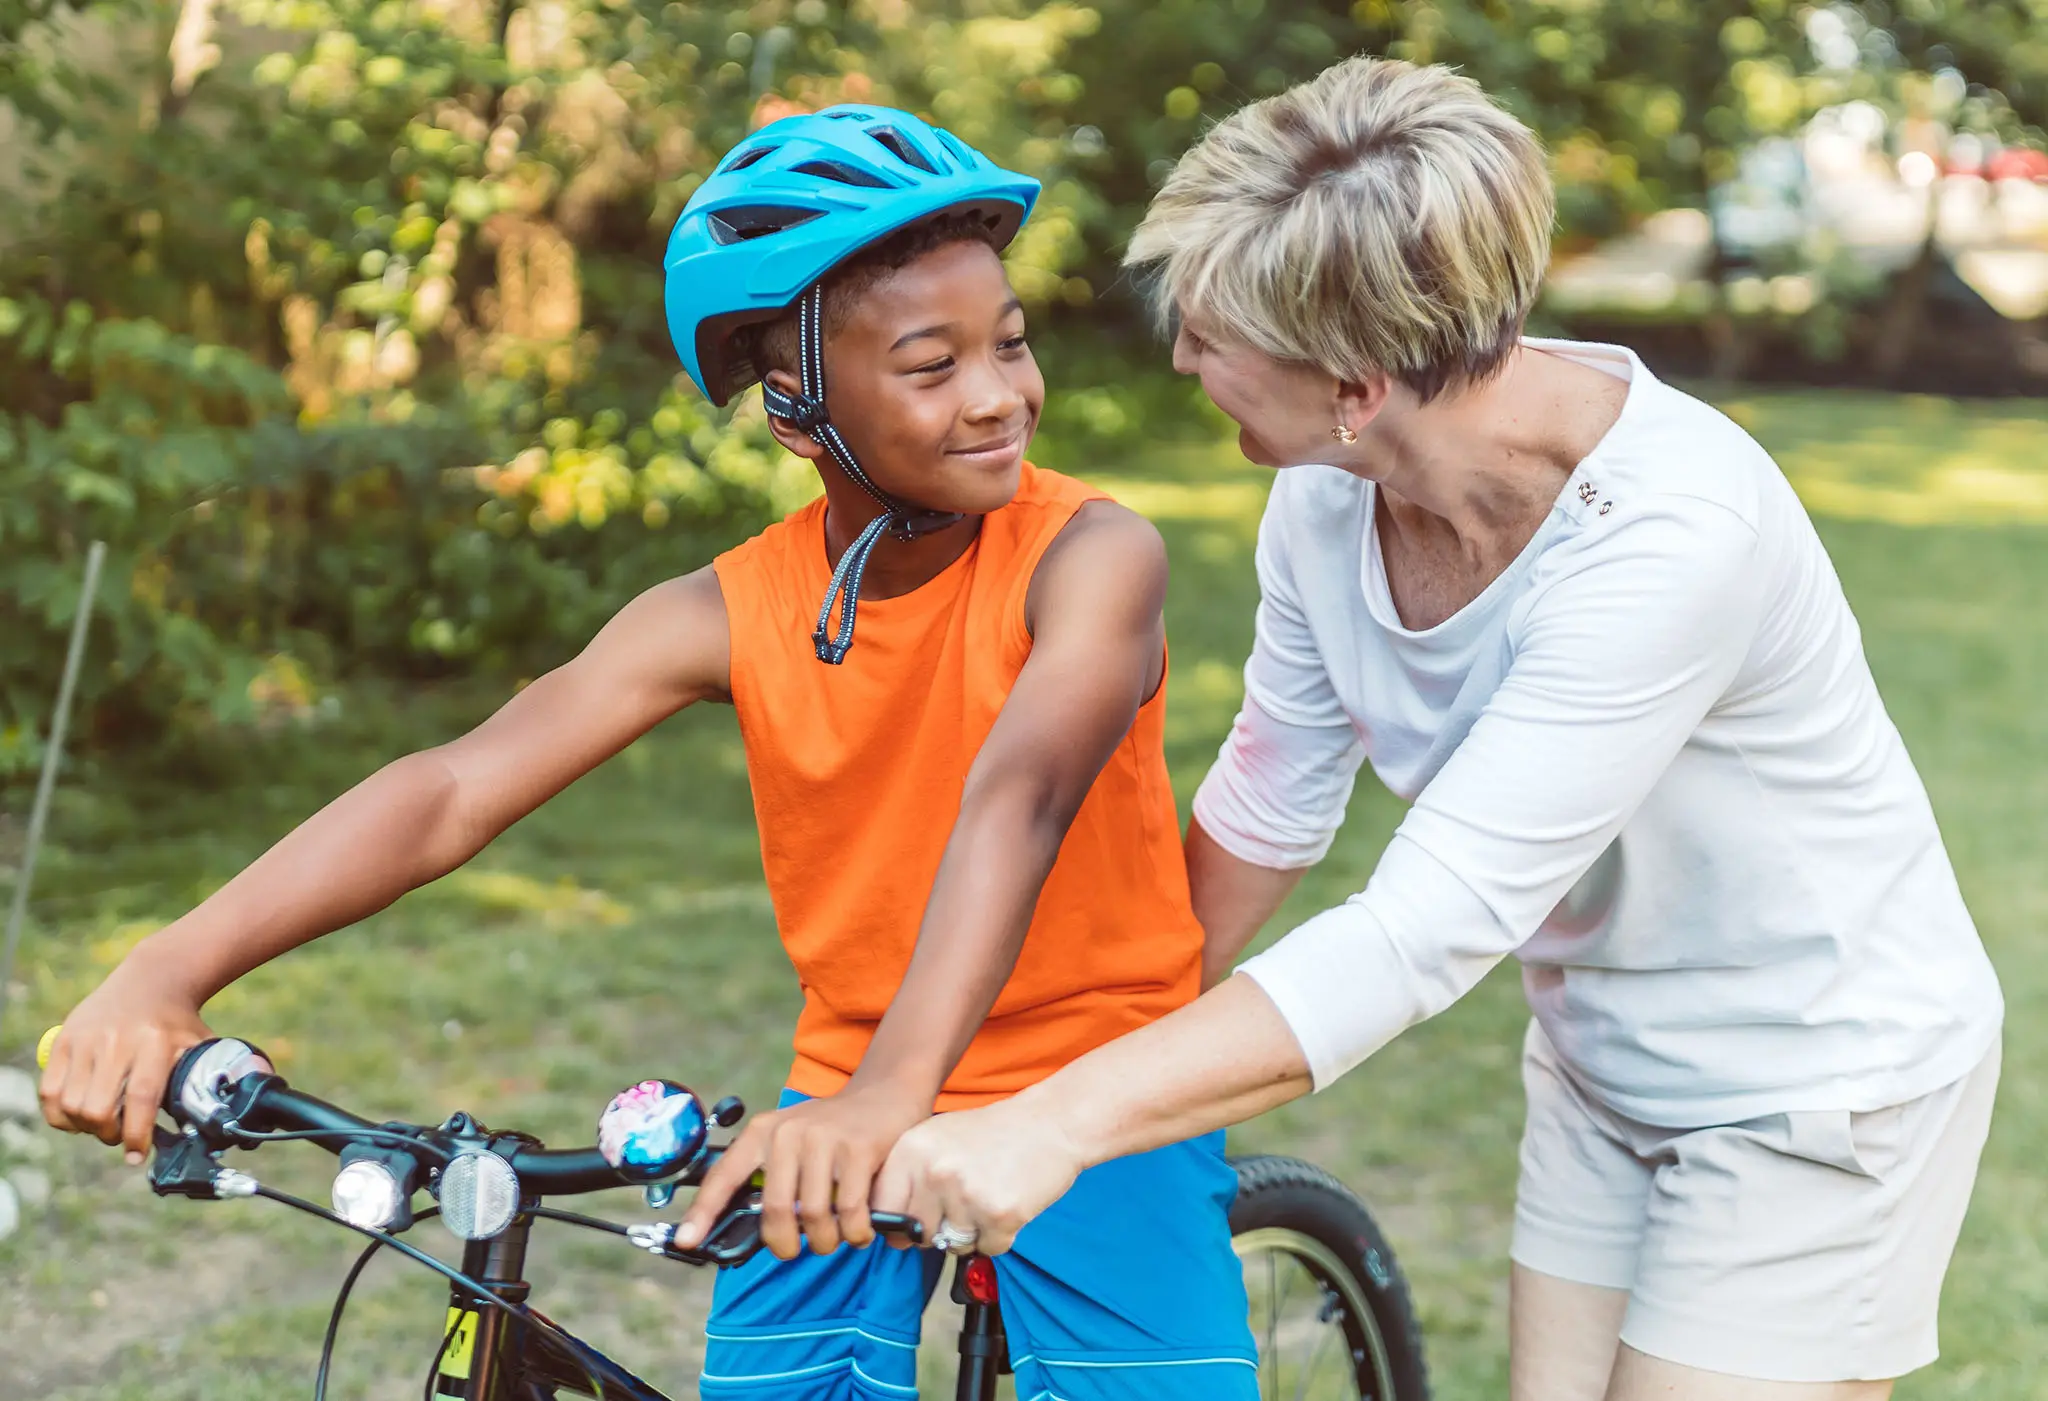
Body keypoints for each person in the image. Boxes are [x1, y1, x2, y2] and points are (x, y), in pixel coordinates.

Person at [38, 106, 1259, 1399]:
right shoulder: (724, 611)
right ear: (797, 411)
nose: (999, 395)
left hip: (1095, 1076)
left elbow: (1020, 798)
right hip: (847, 1082)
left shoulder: (1093, 556)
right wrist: (166, 968)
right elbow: (453, 788)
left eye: (1008, 346)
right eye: (930, 364)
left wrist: (891, 1097)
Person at [872, 57, 2005, 1401]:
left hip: (1816, 1081)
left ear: (1357, 386)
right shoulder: (1326, 496)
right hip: (1601, 1067)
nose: (1178, 355)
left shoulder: (1671, 539)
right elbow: (1274, 795)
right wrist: (1062, 1043)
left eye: (1211, 332)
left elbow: (1422, 930)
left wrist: (1061, 1121)